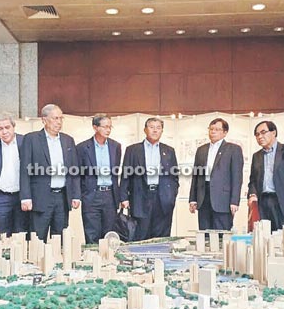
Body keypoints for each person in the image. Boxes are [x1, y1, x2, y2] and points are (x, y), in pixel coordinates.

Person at [20, 104, 81, 241]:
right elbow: (24, 171)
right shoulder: (31, 139)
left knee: (59, 240)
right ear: (44, 120)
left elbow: (74, 170)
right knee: (37, 240)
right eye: (55, 118)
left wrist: (76, 195)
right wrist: (25, 197)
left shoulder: (68, 140)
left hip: (62, 198)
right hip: (40, 198)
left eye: (61, 118)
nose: (58, 122)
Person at [120, 117, 179, 241]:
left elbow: (174, 177)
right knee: (140, 235)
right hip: (140, 197)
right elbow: (126, 175)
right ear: (145, 130)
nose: (155, 130)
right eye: (152, 127)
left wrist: (171, 196)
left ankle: (160, 260)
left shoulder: (169, 151)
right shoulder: (133, 150)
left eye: (158, 128)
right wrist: (124, 197)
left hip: (162, 198)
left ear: (162, 131)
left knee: (161, 237)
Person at [189, 118, 243, 232]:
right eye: (211, 129)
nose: (213, 132)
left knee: (222, 235)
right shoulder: (201, 150)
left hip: (223, 200)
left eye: (217, 129)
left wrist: (234, 201)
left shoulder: (233, 149)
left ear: (225, 132)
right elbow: (196, 176)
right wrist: (193, 199)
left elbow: (237, 177)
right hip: (203, 197)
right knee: (204, 235)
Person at [76, 114, 122, 244]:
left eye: (110, 127)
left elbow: (116, 173)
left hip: (110, 195)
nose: (108, 130)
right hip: (91, 195)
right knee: (92, 234)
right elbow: (77, 174)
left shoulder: (115, 146)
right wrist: (79, 195)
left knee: (110, 234)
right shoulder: (82, 147)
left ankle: (110, 262)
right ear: (95, 127)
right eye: (105, 127)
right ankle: (93, 261)